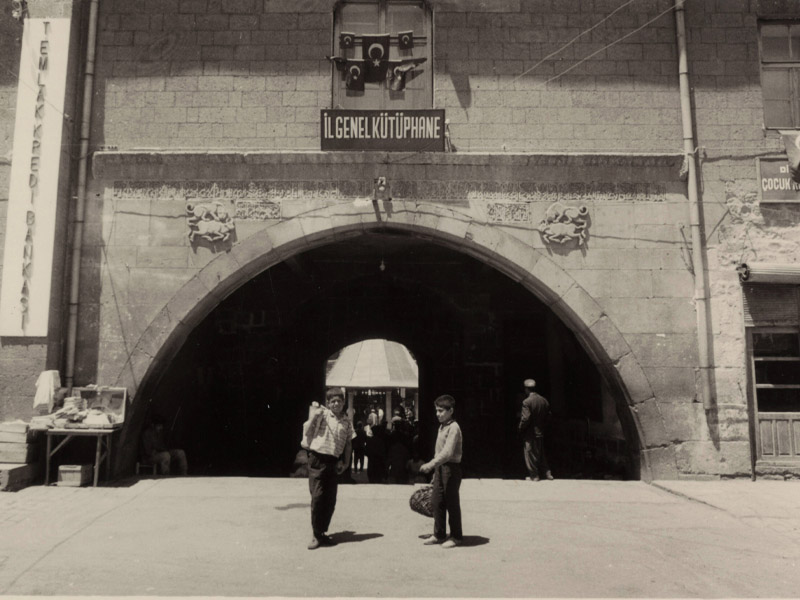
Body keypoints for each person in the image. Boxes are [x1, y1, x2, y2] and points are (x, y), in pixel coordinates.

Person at [301, 387, 354, 550]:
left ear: (344, 403)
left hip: (333, 462)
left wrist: (345, 463)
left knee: (330, 500)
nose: (336, 403)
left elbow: (348, 444)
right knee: (318, 497)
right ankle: (316, 535)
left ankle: (322, 532)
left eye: (339, 401)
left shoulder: (346, 421)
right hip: (318, 459)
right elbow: (307, 429)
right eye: (333, 401)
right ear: (328, 403)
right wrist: (313, 417)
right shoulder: (322, 415)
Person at [419, 394, 463, 549]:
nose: (437, 414)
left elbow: (448, 453)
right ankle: (439, 534)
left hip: (451, 469)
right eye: (436, 411)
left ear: (450, 411)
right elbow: (439, 452)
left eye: (441, 411)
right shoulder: (442, 426)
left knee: (452, 503)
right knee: (437, 501)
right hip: (440, 469)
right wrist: (435, 471)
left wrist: (430, 464)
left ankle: (456, 536)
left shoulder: (454, 427)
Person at [518, 378, 553, 482]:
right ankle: (548, 473)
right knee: (540, 453)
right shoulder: (543, 400)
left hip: (530, 432)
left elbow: (525, 418)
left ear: (526, 389)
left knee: (529, 453)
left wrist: (520, 427)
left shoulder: (526, 402)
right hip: (540, 431)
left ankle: (534, 476)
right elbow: (549, 416)